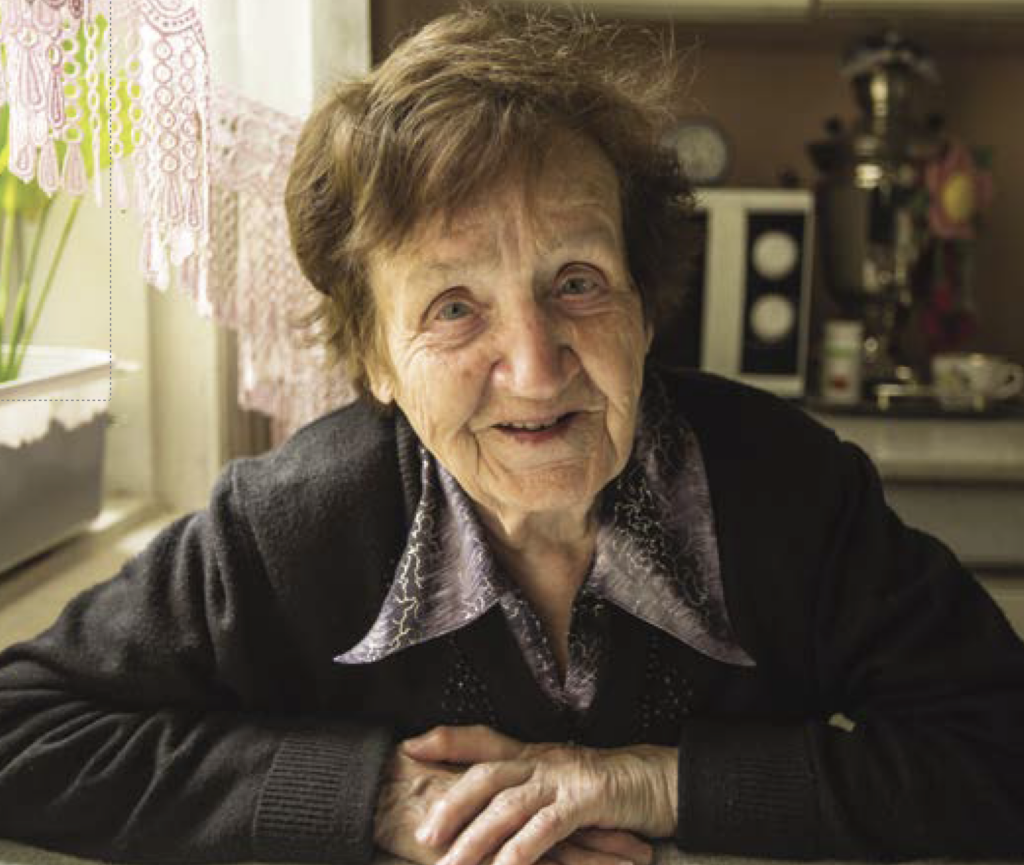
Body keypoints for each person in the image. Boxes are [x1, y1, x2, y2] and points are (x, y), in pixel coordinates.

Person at [1, 5, 1024, 865]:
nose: (535, 368)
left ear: (643, 305)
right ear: (373, 362)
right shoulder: (289, 526)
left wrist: (650, 785)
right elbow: (21, 729)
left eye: (576, 282)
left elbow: (998, 745)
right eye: (452, 307)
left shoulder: (789, 493)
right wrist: (385, 799)